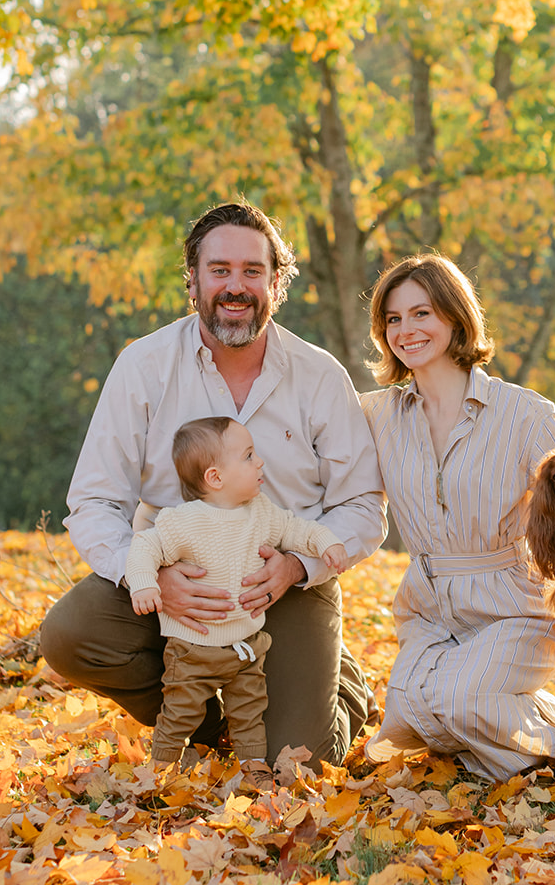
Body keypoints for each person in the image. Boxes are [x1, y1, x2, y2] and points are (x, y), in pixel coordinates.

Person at [39, 201, 385, 769]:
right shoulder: (144, 366)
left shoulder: (320, 376)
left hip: (283, 584)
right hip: (175, 578)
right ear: (193, 281)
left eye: (252, 271)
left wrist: (297, 566)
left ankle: (339, 682)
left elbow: (362, 506)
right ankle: (205, 720)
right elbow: (95, 500)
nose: (236, 286)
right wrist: (148, 575)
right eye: (219, 270)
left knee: (297, 763)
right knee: (70, 635)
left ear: (276, 283)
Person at [360, 253, 555, 782]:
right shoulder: (378, 415)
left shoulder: (522, 413)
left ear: (455, 317)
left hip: (511, 606)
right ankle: (499, 726)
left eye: (422, 313)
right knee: (406, 723)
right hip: (428, 607)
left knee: (454, 704)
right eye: (393, 318)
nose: (406, 330)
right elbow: (310, 434)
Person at [126, 416, 348, 775]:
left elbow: (296, 529)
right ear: (215, 478)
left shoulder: (261, 514)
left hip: (245, 646)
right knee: (180, 710)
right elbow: (145, 546)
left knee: (249, 709)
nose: (260, 462)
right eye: (248, 456)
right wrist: (144, 583)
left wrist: (326, 543)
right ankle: (161, 766)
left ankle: (253, 765)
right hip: (192, 648)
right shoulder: (183, 521)